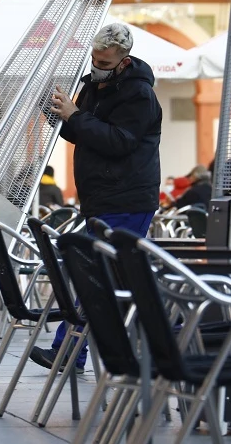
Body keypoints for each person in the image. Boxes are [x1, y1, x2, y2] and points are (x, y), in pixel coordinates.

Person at [30, 22, 162, 373]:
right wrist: (56, 110)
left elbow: (119, 142)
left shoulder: (139, 94)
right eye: (94, 57)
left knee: (97, 274)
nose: (96, 65)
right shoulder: (96, 85)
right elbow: (83, 131)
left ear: (123, 60)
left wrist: (75, 114)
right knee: (107, 276)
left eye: (104, 60)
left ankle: (70, 352)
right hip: (102, 197)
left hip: (127, 197)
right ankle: (154, 339)